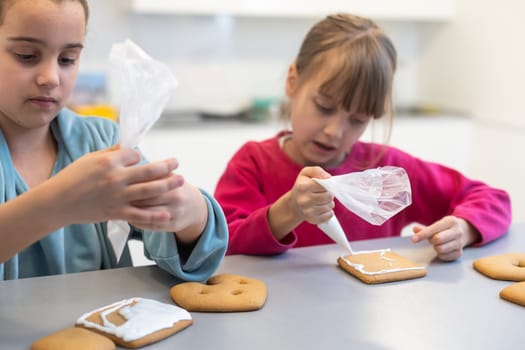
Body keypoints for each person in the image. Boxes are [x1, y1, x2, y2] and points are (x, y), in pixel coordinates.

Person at [214, 13, 511, 261]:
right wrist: (289, 210)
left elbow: (494, 199)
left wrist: (465, 227)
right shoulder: (252, 163)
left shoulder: (385, 173)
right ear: (293, 82)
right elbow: (221, 246)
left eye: (357, 120)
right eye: (324, 107)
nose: (334, 131)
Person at [0, 0, 227, 280]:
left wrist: (192, 215)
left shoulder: (101, 141)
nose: (51, 78)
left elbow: (168, 237)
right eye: (26, 55)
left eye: (67, 59)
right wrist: (58, 203)